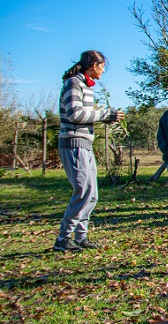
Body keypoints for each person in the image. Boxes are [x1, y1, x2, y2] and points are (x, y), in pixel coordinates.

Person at [53, 50, 125, 252]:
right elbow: (75, 113)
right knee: (83, 191)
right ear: (94, 65)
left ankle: (80, 236)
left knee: (92, 193)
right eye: (102, 66)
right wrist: (104, 114)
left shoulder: (86, 86)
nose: (103, 70)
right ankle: (63, 238)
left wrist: (104, 116)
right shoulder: (74, 83)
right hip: (73, 143)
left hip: (84, 143)